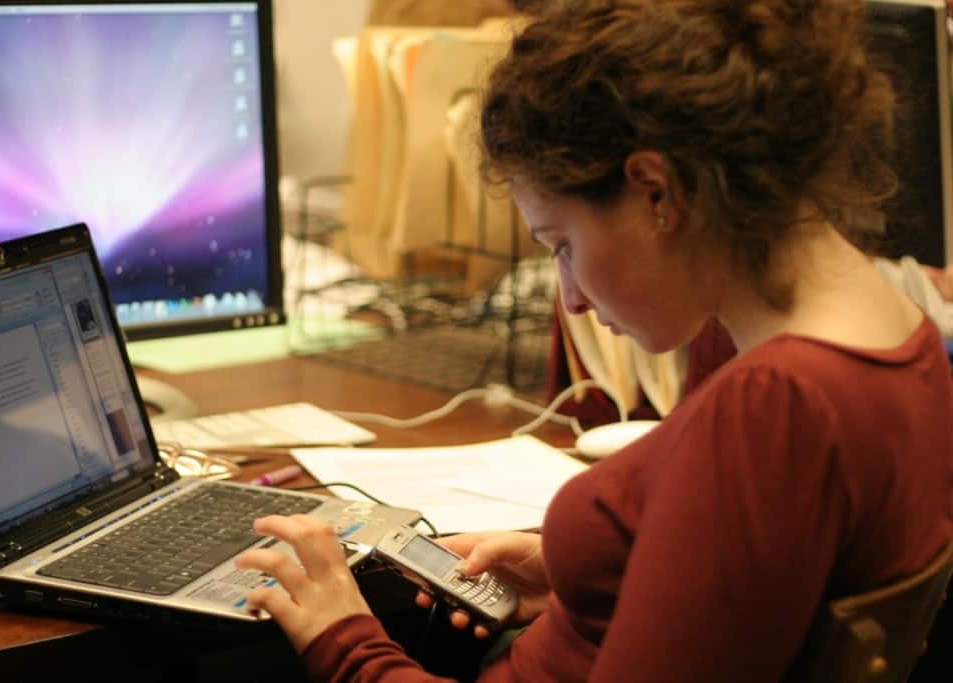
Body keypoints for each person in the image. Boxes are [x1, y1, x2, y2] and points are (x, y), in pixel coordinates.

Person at [234, 1, 953, 680]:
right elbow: (744, 591)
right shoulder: (899, 333)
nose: (570, 296)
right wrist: (600, 581)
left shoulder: (775, 405)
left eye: (563, 244)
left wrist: (347, 643)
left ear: (655, 191)